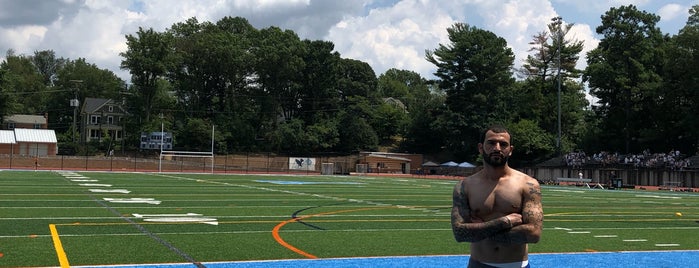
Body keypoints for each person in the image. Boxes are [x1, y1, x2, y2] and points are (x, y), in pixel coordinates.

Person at [451, 125, 543, 268]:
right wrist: (505, 221)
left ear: (510, 150)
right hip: (479, 264)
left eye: (503, 144)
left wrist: (480, 230)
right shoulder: (465, 186)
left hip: (517, 265)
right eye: (491, 143)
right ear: (481, 148)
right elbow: (459, 234)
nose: (497, 148)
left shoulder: (528, 185)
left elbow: (534, 233)